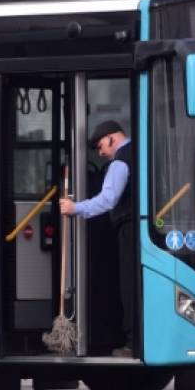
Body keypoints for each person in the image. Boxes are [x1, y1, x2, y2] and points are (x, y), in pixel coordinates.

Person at [59, 120, 135, 357]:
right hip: (139, 229)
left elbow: (107, 199)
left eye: (101, 146)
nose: (101, 153)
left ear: (112, 139)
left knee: (129, 287)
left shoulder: (120, 162)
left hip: (129, 230)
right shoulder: (140, 152)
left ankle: (133, 343)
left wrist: (75, 207)